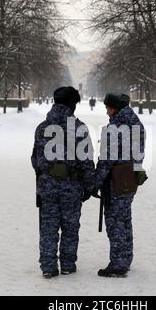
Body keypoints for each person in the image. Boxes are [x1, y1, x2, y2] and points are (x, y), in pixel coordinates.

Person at [31, 86, 95, 279]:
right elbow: (86, 161)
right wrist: (90, 186)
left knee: (48, 227)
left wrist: (45, 176)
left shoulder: (42, 127)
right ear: (72, 104)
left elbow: (35, 159)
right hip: (72, 186)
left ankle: (48, 266)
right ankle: (67, 264)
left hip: (47, 186)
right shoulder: (79, 127)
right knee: (70, 226)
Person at [94, 92, 146, 277]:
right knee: (125, 219)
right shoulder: (137, 124)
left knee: (115, 221)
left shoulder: (115, 127)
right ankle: (126, 258)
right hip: (130, 177)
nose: (107, 112)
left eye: (108, 108)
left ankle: (118, 264)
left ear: (113, 108)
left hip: (115, 179)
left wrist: (95, 182)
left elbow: (107, 159)